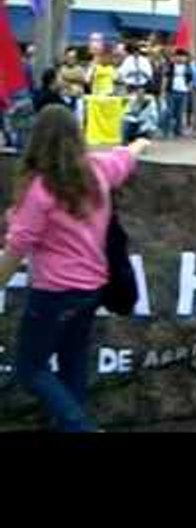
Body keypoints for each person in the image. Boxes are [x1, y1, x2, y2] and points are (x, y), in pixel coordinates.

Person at [0, 106, 149, 431]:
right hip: (91, 289)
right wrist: (142, 142)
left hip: (53, 293)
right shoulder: (97, 171)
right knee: (72, 364)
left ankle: (80, 428)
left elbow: (17, 247)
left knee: (30, 368)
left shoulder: (40, 189)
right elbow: (124, 157)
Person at [165, 49, 193, 138]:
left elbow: (190, 80)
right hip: (171, 91)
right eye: (178, 56)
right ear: (175, 57)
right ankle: (168, 130)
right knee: (170, 112)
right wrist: (163, 91)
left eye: (183, 56)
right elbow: (165, 78)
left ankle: (178, 130)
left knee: (180, 113)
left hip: (183, 92)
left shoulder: (188, 67)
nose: (181, 58)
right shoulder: (171, 66)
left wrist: (189, 90)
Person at [57, 49, 88, 124]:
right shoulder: (62, 69)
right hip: (65, 98)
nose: (71, 59)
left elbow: (84, 80)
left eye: (73, 57)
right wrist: (75, 81)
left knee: (79, 122)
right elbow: (59, 82)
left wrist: (67, 78)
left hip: (78, 98)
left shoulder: (80, 69)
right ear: (66, 57)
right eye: (69, 57)